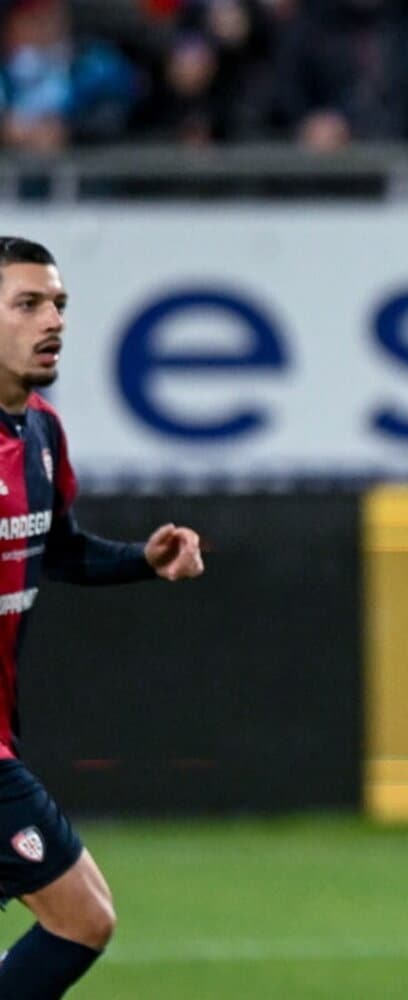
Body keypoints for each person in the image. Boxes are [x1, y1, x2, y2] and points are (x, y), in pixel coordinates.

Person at [0, 237, 205, 999]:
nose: (52, 320)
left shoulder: (41, 432)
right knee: (82, 917)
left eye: (58, 304)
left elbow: (58, 549)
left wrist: (143, 560)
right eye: (27, 304)